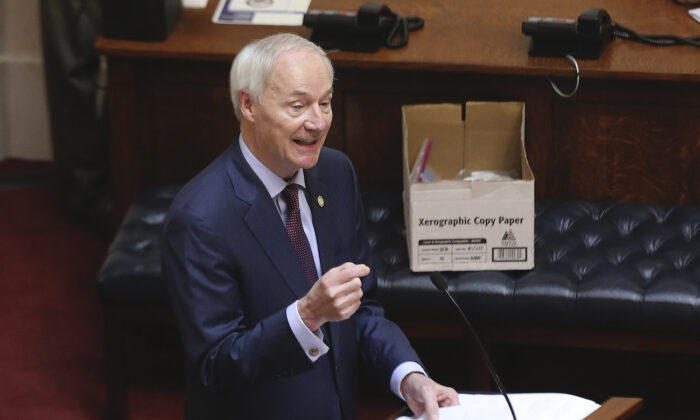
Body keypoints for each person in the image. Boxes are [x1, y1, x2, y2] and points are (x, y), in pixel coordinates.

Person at [162, 33, 459, 420]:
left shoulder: (335, 174)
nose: (318, 122)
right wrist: (306, 316)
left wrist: (408, 376)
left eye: (326, 103)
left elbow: (360, 305)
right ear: (249, 104)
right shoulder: (200, 218)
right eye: (298, 105)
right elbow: (217, 364)